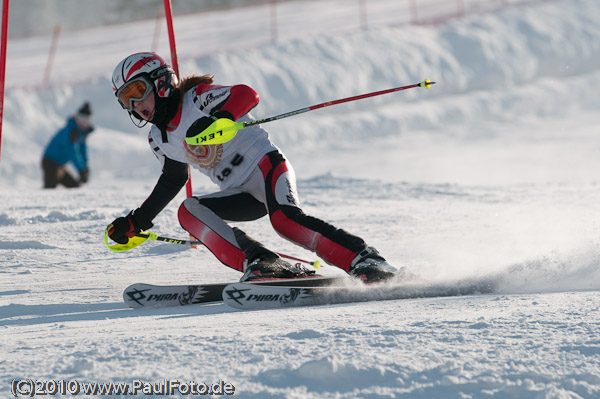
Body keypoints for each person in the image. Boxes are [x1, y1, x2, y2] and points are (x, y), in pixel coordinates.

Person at [106, 52, 398, 283]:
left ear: (160, 82)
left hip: (266, 167)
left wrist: (220, 117)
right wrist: (138, 220)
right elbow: (172, 179)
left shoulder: (196, 99)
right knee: (189, 211)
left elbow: (247, 94)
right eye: (125, 99)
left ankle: (365, 259)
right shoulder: (159, 138)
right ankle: (261, 261)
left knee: (285, 221)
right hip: (239, 192)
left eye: (138, 90)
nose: (135, 104)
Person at [42, 102, 94, 188]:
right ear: (77, 118)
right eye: (81, 119)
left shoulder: (81, 134)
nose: (83, 123)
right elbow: (72, 152)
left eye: (86, 120)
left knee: (74, 187)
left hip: (60, 165)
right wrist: (81, 170)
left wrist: (85, 168)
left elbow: (82, 150)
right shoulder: (71, 131)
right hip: (50, 162)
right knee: (50, 188)